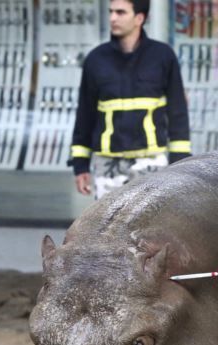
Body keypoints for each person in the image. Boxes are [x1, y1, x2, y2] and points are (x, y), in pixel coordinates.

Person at [69, 0, 191, 199]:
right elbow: (85, 115)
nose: (112, 18)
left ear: (139, 18)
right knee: (106, 229)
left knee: (152, 227)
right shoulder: (95, 60)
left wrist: (181, 163)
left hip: (152, 163)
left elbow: (178, 113)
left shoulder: (163, 57)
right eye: (111, 12)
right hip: (107, 165)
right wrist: (80, 164)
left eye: (120, 12)